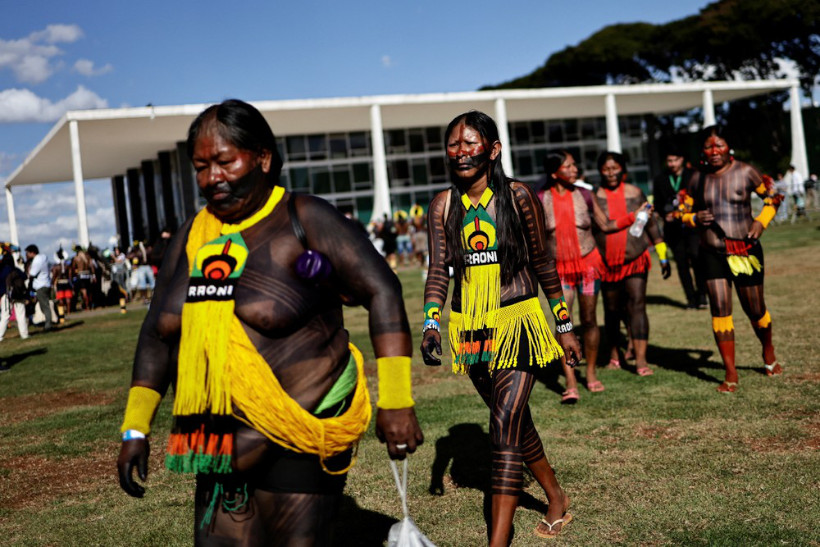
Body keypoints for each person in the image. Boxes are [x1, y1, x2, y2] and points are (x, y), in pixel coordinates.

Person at [116, 99, 423, 545]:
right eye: (201, 167)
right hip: (218, 436)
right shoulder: (190, 236)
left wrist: (396, 399)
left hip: (301, 423)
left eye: (224, 161)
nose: (212, 178)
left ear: (262, 158)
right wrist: (135, 427)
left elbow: (383, 291)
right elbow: (158, 334)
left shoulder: (305, 218)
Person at [421, 111, 581, 544]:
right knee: (512, 421)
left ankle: (498, 541)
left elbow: (543, 262)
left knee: (503, 424)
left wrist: (563, 324)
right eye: (453, 144)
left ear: (493, 150)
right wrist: (431, 322)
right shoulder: (442, 205)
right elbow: (439, 270)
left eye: (469, 142)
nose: (460, 151)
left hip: (518, 320)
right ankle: (556, 496)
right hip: (472, 329)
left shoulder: (518, 197)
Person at [683, 125, 783, 393]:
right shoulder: (696, 178)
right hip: (711, 253)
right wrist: (693, 218)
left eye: (719, 145)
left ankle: (768, 351)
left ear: (729, 148)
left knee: (755, 309)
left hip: (744, 250)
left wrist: (761, 222)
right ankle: (730, 372)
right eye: (708, 146)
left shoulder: (746, 172)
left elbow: (772, 199)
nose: (714, 151)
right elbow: (680, 211)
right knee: (720, 309)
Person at [540, 150, 641, 401]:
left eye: (575, 165)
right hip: (559, 270)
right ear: (554, 173)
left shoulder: (584, 194)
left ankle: (592, 372)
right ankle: (571, 379)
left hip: (588, 267)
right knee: (564, 323)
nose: (574, 170)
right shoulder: (540, 198)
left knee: (589, 320)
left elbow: (605, 225)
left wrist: (634, 216)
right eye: (568, 166)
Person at [594, 151, 670, 375]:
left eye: (615, 168)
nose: (610, 173)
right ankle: (615, 354)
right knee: (612, 310)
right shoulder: (594, 196)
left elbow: (652, 224)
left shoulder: (636, 193)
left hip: (636, 258)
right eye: (606, 169)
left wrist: (663, 255)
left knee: (637, 305)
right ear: (600, 171)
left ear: (622, 169)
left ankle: (641, 360)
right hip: (607, 263)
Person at [652, 147, 707, 309]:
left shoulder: (693, 175)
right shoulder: (660, 179)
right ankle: (690, 298)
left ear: (681, 160)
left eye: (675, 160)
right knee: (681, 264)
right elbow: (658, 204)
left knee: (697, 259)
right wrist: (664, 214)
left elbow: (700, 198)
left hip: (692, 226)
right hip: (673, 229)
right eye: (669, 161)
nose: (672, 164)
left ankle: (702, 295)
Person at [0, 252, 29, 341]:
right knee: (21, 314)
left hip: (6, 295)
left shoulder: (2, 271)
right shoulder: (15, 269)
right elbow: (25, 276)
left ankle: (0, 335)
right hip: (18, 294)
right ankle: (24, 335)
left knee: (5, 316)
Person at [25, 245, 53, 332]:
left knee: (44, 306)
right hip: (46, 284)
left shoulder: (37, 260)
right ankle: (47, 323)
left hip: (41, 286)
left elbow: (32, 274)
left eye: (28, 253)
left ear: (32, 252)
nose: (27, 255)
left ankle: (48, 325)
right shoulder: (43, 258)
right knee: (44, 306)